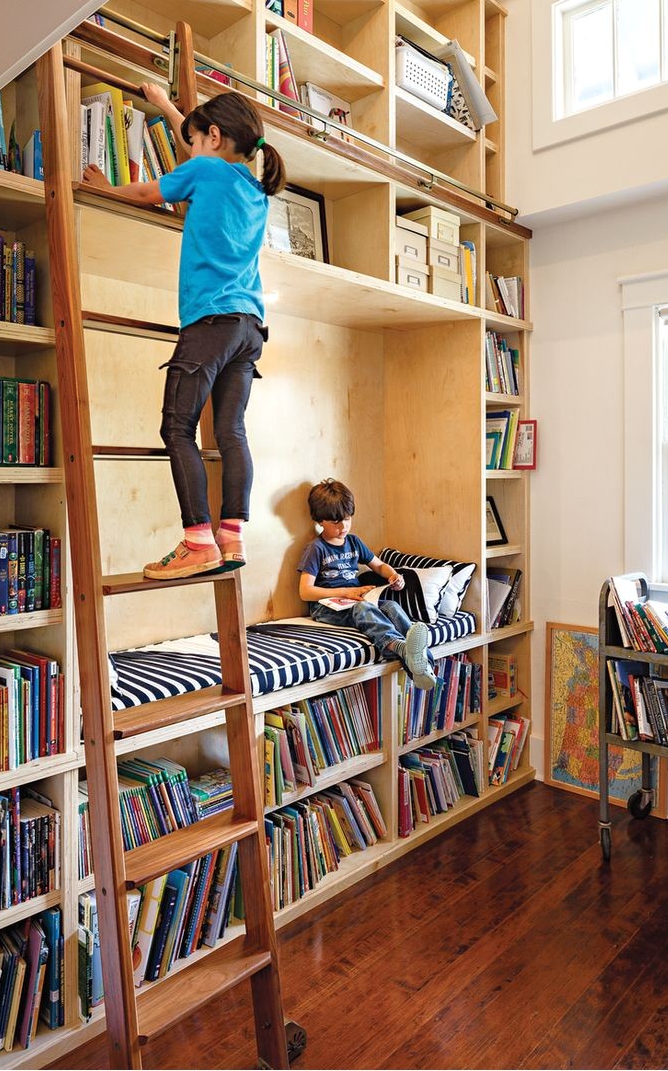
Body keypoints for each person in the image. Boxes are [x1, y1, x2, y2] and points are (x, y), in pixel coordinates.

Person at [82, 84, 286, 579]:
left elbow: (154, 192)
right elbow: (200, 143)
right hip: (249, 328)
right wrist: (169, 107)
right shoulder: (254, 190)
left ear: (214, 137)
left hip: (210, 321)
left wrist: (104, 189)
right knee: (230, 431)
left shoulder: (204, 168)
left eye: (194, 140)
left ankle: (197, 540)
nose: (188, 148)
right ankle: (230, 536)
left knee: (177, 428)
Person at [298, 479, 436, 690]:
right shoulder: (316, 549)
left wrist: (392, 575)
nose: (343, 526)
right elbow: (305, 592)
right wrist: (347, 591)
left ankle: (423, 663)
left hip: (356, 599)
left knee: (391, 606)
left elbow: (378, 565)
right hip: (327, 606)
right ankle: (400, 647)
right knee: (363, 608)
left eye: (347, 519)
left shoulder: (354, 542)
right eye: (336, 522)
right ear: (319, 520)